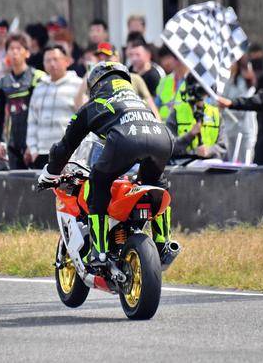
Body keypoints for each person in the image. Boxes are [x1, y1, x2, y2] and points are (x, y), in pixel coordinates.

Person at [37, 62, 175, 265]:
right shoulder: (140, 103)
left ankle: (99, 251)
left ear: (95, 84)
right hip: (163, 139)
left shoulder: (95, 105)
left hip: (126, 141)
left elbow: (64, 148)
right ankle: (163, 242)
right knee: (156, 183)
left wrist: (50, 174)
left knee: (98, 182)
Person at [0, 33, 46, 169]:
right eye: (11, 49)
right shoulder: (3, 82)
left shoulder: (38, 78)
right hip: (13, 144)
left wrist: (33, 144)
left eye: (18, 48)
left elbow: (42, 114)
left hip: (36, 144)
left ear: (27, 53)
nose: (14, 52)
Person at [26, 45, 82, 168]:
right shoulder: (39, 87)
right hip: (42, 153)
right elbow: (32, 120)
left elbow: (83, 120)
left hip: (69, 153)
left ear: (66, 61)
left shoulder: (78, 85)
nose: (52, 64)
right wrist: (33, 149)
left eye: (56, 59)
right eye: (48, 60)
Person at [74, 42, 160, 117]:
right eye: (100, 59)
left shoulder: (134, 78)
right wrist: (87, 78)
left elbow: (151, 107)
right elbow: (79, 107)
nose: (104, 62)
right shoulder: (94, 83)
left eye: (107, 57)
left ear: (117, 58)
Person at [166, 74, 227, 160]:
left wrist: (209, 150)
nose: (201, 95)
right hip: (182, 163)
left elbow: (223, 147)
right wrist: (190, 135)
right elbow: (168, 147)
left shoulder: (215, 114)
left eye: (204, 90)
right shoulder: (176, 113)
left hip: (210, 164)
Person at [222, 59, 258, 163]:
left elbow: (242, 107)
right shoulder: (229, 80)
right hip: (230, 130)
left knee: (245, 163)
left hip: (244, 130)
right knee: (231, 163)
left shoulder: (244, 82)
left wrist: (226, 107)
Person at [154, 48, 188, 120]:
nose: (165, 63)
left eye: (168, 58)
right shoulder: (164, 81)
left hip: (186, 125)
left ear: (179, 58)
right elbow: (156, 106)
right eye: (163, 59)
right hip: (164, 125)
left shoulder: (194, 81)